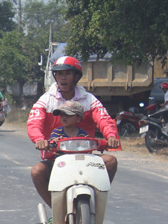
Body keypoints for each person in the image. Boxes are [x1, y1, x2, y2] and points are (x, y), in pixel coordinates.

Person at [27, 56, 119, 205]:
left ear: (76, 76)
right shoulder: (46, 100)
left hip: (85, 158)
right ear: (55, 76)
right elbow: (34, 123)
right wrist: (39, 140)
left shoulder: (89, 99)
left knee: (110, 161)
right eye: (59, 74)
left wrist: (111, 136)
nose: (63, 78)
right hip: (55, 159)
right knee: (36, 171)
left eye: (67, 73)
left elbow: (104, 119)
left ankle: (94, 201)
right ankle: (55, 210)